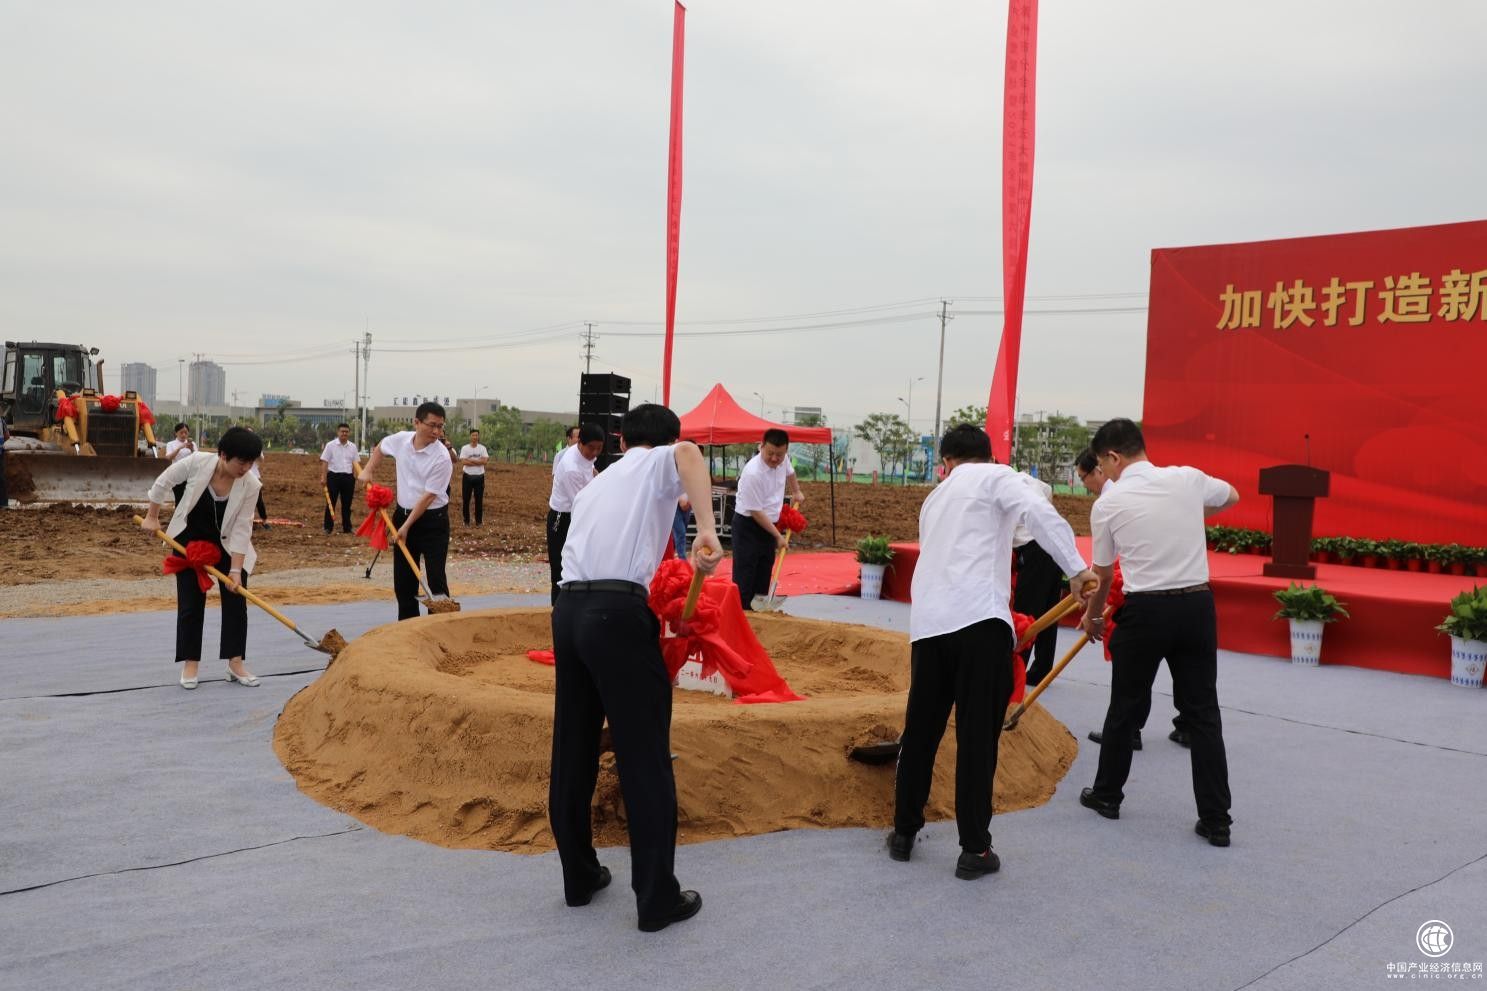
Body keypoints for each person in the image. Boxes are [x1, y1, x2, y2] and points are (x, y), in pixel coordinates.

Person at [887, 424, 1096, 878]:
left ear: (946, 462)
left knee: (921, 732)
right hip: (979, 622)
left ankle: (903, 832)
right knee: (977, 738)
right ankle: (975, 850)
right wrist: (1077, 570)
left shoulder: (934, 499)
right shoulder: (998, 477)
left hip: (928, 627)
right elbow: (1038, 512)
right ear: (988, 455)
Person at [549, 403, 722, 932]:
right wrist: (707, 531)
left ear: (621, 441)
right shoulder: (659, 460)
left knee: (573, 749)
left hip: (568, 611)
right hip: (616, 614)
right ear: (663, 441)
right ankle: (656, 900)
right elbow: (689, 454)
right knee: (644, 758)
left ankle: (579, 878)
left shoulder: (598, 482)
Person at [1076, 418, 1240, 847]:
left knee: (1124, 708)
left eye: (1102, 466)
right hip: (1196, 607)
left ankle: (1107, 796)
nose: (1104, 474)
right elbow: (1232, 495)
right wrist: (1188, 515)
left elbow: (1102, 574)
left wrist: (1093, 617)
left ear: (1114, 457)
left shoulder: (1109, 503)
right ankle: (1217, 820)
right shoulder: (1186, 478)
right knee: (1204, 714)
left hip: (1145, 611)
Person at [1076, 448, 1189, 752]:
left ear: (1103, 467)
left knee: (1132, 666)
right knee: (1181, 663)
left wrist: (1094, 609)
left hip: (1138, 592)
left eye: (1085, 477)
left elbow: (1108, 567)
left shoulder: (1113, 501)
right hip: (1181, 589)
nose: (1085, 484)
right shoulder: (1163, 491)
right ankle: (1188, 724)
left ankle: (1129, 730)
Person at [139, 426, 264, 690]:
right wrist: (152, 516)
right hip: (189, 540)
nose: (246, 468)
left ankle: (235, 662)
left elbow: (243, 527)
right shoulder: (196, 463)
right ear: (223, 455)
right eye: (241, 462)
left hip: (227, 545)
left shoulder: (251, 484)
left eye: (250, 463)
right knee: (191, 603)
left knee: (236, 602)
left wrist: (235, 571)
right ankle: (191, 663)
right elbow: (162, 482)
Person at [358, 401, 453, 620]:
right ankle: (408, 626)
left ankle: (439, 626)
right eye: (432, 425)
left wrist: (406, 527)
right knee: (404, 582)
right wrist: (368, 470)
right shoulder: (401, 440)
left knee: (436, 580)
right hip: (402, 515)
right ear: (416, 422)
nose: (437, 432)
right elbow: (382, 447)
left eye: (440, 427)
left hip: (432, 521)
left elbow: (428, 497)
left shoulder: (442, 458)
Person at [730, 429, 804, 610]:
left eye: (779, 454)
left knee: (764, 569)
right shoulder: (753, 473)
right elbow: (756, 512)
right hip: (748, 526)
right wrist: (778, 536)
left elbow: (790, 472)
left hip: (769, 525)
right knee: (746, 572)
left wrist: (796, 491)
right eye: (770, 453)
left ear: (786, 451)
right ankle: (743, 612)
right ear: (761, 446)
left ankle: (760, 611)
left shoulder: (783, 459)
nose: (774, 458)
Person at [1012, 471, 1065, 687]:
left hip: (1034, 550)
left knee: (1027, 611)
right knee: (1048, 611)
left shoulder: (996, 488)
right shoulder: (1027, 479)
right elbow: (1048, 490)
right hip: (1055, 544)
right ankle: (1042, 668)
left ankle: (1016, 669)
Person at [546, 423, 605, 604]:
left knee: (581, 564)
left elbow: (591, 469)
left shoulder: (585, 454)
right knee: (560, 567)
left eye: (599, 448)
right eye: (591, 448)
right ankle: (558, 608)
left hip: (578, 513)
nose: (595, 453)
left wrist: (600, 479)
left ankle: (577, 605)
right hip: (562, 518)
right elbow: (581, 504)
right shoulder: (570, 467)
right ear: (580, 443)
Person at [320, 422, 358, 534]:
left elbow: (355, 462)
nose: (344, 433)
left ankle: (347, 527)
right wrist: (323, 477)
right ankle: (328, 527)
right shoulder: (330, 445)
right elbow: (325, 461)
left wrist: (354, 477)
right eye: (342, 431)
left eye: (346, 432)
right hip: (333, 477)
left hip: (348, 478)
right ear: (338, 432)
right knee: (330, 503)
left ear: (349, 433)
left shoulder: (353, 447)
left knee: (347, 504)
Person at [458, 429, 490, 526]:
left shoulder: (482, 448)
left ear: (478, 437)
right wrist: (479, 461)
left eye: (476, 435)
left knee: (479, 500)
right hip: (467, 476)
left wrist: (471, 460)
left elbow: (485, 461)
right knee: (466, 500)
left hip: (479, 477)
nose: (475, 437)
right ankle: (466, 521)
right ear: (470, 436)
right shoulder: (465, 448)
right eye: (473, 435)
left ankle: (478, 522)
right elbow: (463, 462)